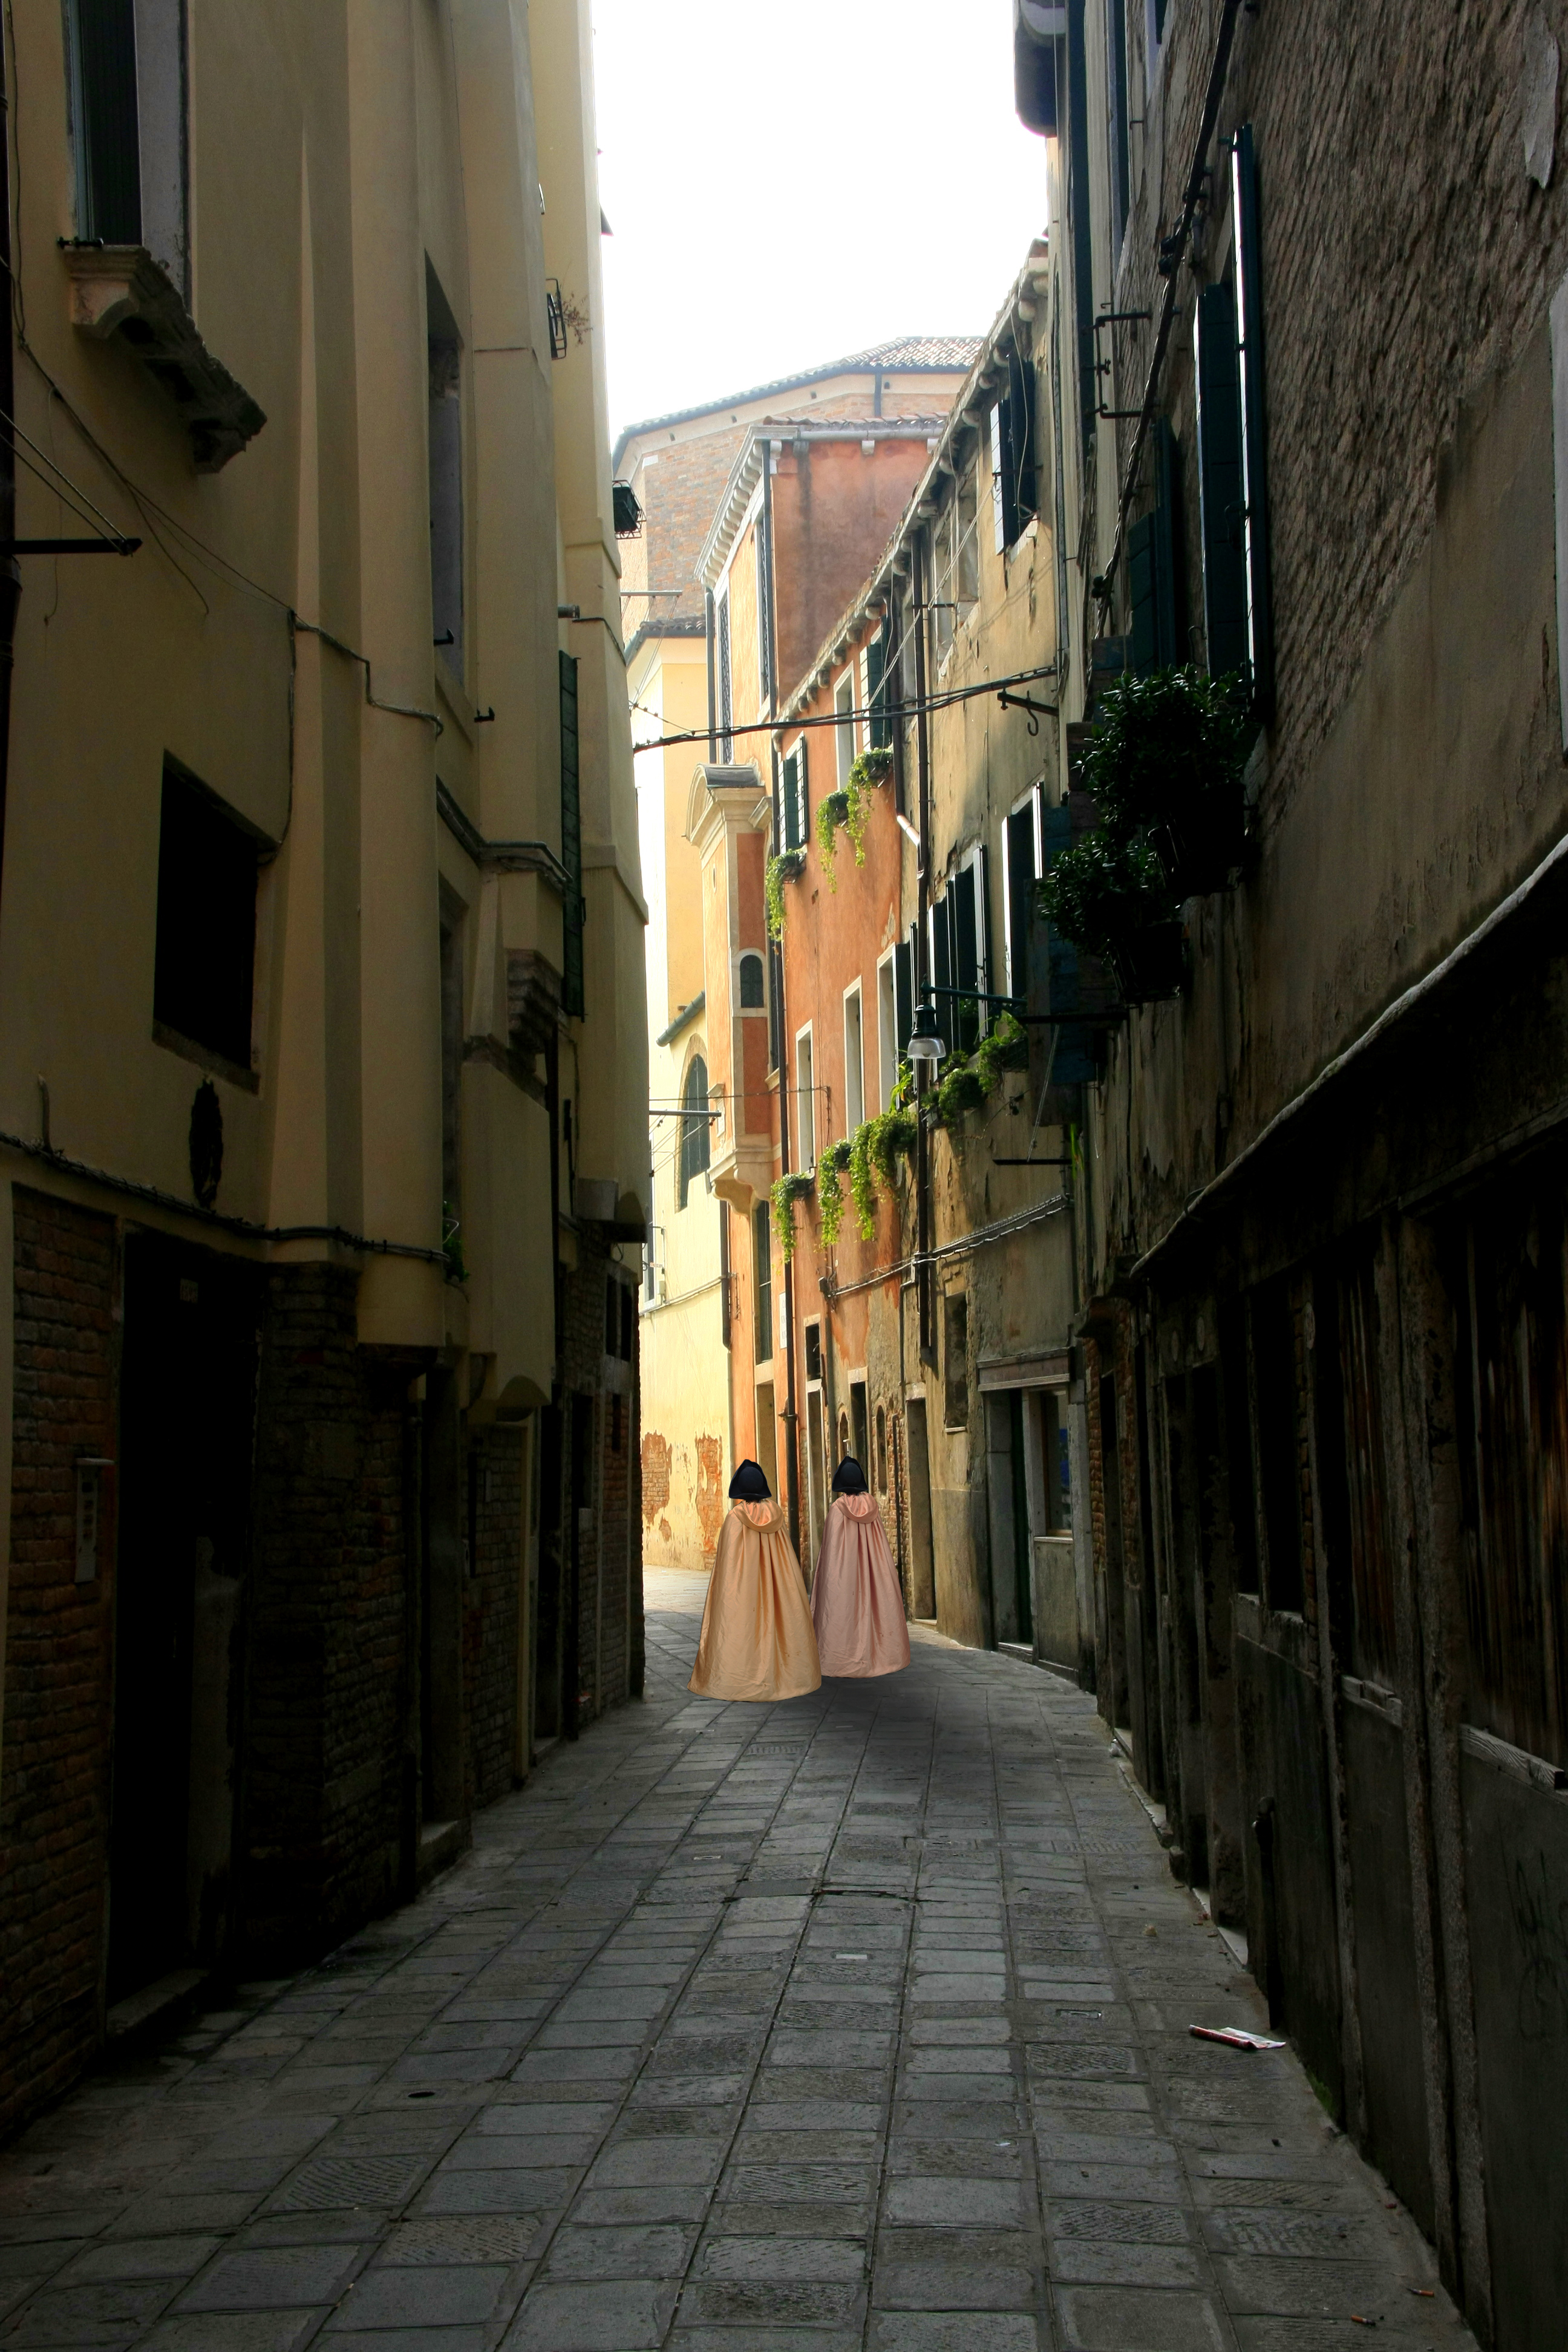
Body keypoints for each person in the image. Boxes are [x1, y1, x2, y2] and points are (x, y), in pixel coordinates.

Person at [688, 1460, 822, 1702]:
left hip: (742, 1591)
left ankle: (738, 1677)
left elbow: (727, 1566)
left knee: (740, 1627)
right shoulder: (776, 1517)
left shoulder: (734, 1519)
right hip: (779, 1588)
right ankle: (787, 1676)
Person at [811, 1455, 910, 1678]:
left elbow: (831, 1552)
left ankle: (840, 1658)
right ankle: (882, 1656)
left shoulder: (837, 1510)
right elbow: (879, 1544)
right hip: (874, 1572)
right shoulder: (873, 1508)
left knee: (840, 1610)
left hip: (842, 1575)